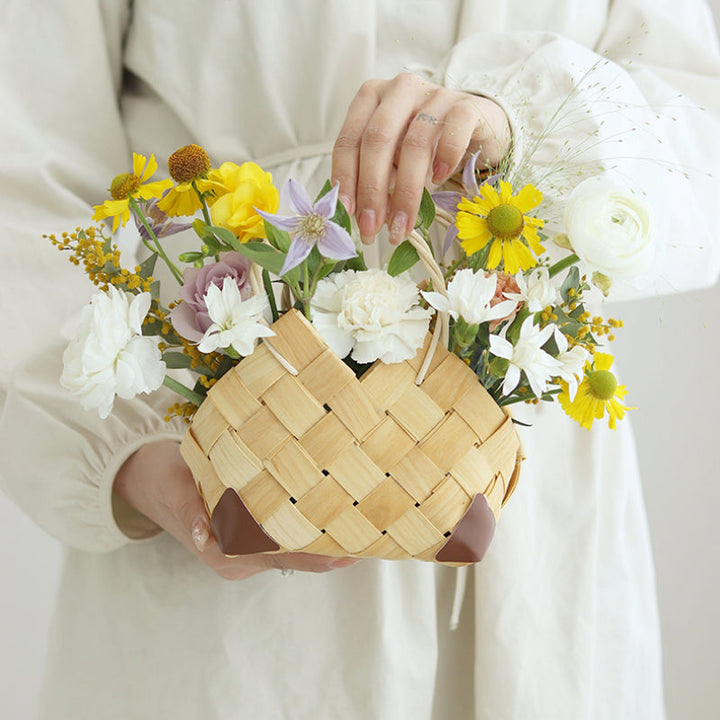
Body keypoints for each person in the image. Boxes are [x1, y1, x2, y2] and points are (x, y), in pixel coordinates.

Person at [0, 1, 718, 718]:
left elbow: (699, 121)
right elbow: (20, 172)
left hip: (521, 491)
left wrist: (521, 127)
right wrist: (132, 458)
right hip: (226, 458)